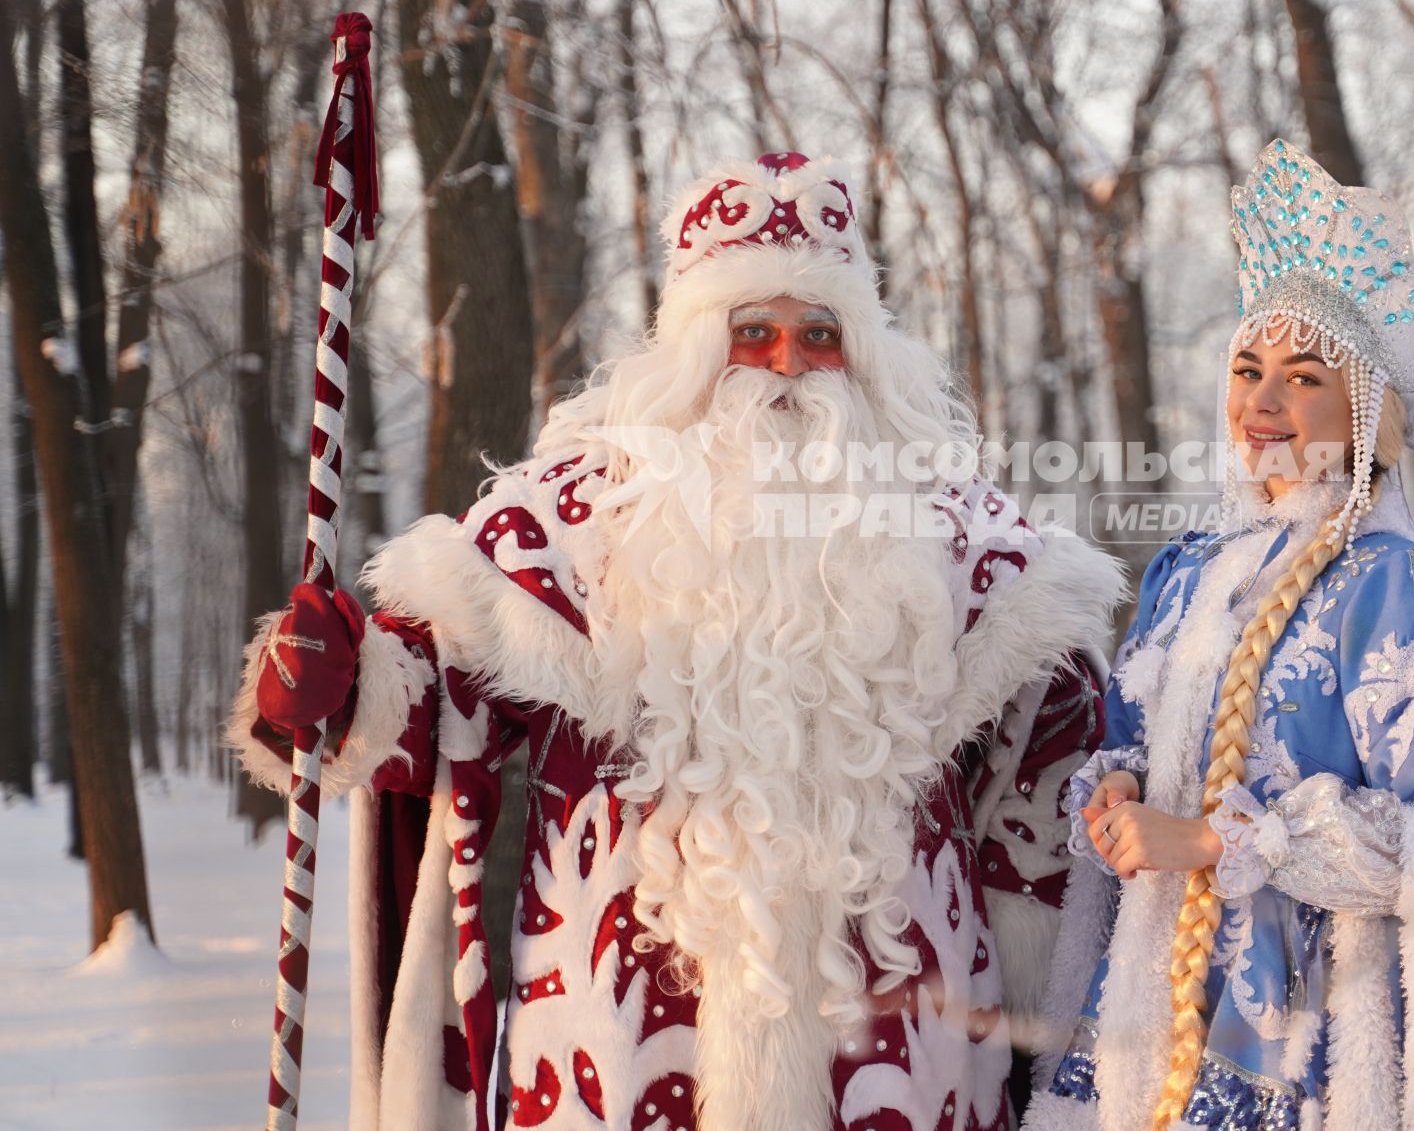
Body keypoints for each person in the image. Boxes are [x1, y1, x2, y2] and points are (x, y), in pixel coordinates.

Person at [230, 151, 1127, 1131]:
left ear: (864, 354)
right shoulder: (568, 526)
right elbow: (433, 707)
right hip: (614, 1042)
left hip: (906, 1052)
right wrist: (333, 681)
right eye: (754, 332)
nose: (786, 362)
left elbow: (1051, 795)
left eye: (819, 333)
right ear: (695, 350)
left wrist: (1061, 1047)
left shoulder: (965, 545)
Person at [1024, 137, 1414, 1131]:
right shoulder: (1185, 576)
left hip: (1313, 1043)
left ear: (1363, 406)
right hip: (1148, 1016)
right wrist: (1123, 786)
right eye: (1248, 367)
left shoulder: (1403, 593)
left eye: (1301, 375)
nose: (1261, 397)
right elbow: (1135, 735)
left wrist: (1215, 839)